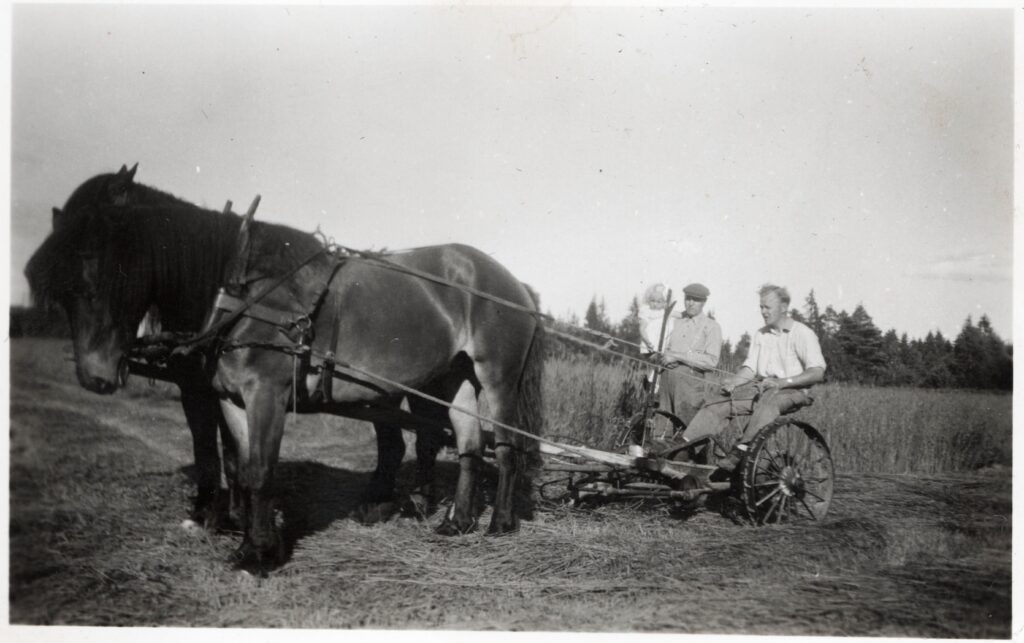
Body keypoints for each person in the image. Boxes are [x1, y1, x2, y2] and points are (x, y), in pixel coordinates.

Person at [680, 283, 826, 471]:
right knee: (718, 401)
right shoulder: (761, 335)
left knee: (768, 400)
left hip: (794, 391)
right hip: (764, 389)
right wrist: (734, 382)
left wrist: (783, 382)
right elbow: (750, 369)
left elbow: (817, 372)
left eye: (767, 307)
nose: (763, 312)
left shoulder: (803, 333)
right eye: (761, 307)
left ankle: (741, 451)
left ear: (783, 308)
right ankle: (685, 447)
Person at [655, 282, 722, 434]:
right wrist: (664, 358)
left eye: (695, 300)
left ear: (704, 302)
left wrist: (678, 357)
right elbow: (661, 346)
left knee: (686, 433)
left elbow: (711, 361)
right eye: (688, 298)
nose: (690, 303)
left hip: (690, 387)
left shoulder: (711, 327)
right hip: (666, 381)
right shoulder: (675, 320)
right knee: (662, 428)